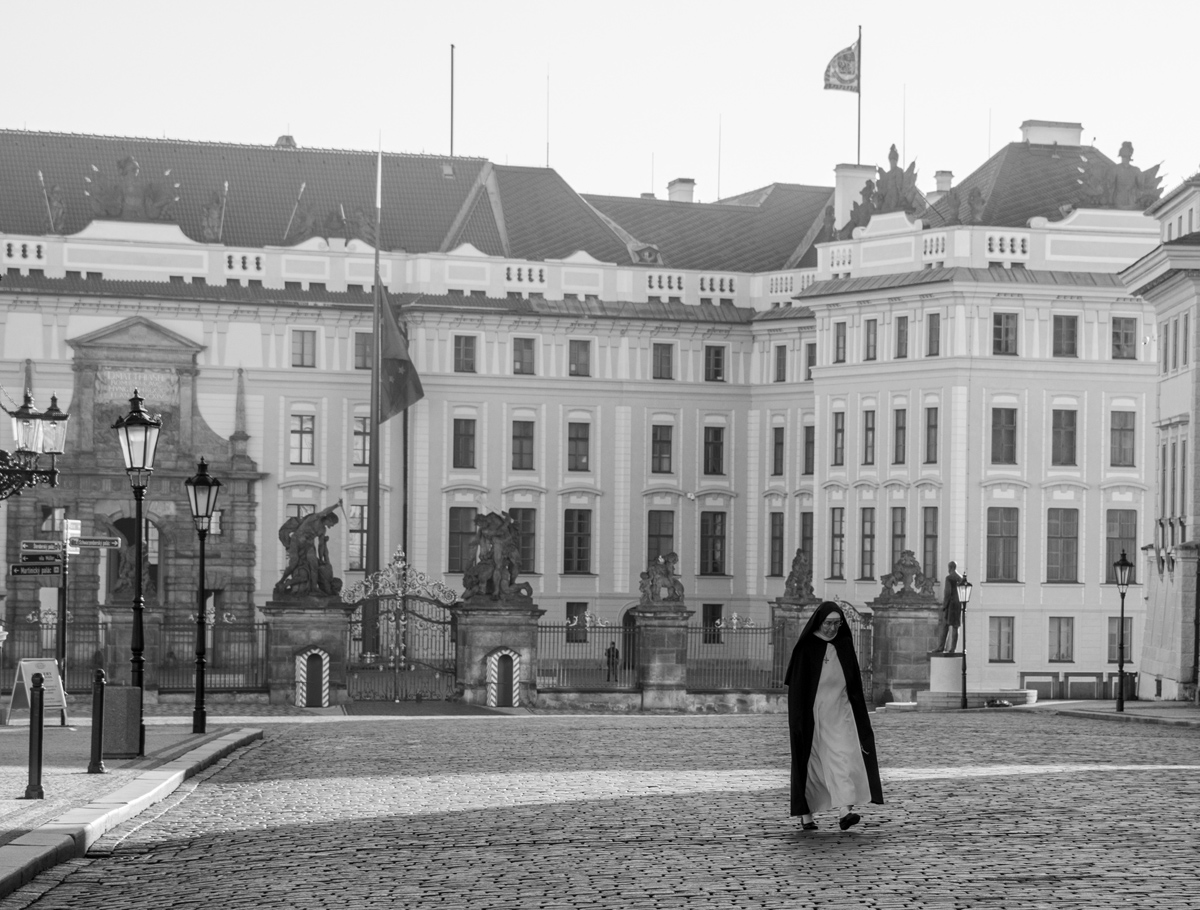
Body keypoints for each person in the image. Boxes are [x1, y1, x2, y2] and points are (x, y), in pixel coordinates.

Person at [785, 601, 883, 831]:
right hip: (815, 716)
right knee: (814, 764)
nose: (832, 628)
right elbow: (798, 689)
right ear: (819, 622)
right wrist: (799, 719)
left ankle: (844, 811)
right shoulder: (807, 647)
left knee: (844, 759)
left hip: (842, 713)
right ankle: (806, 814)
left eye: (837, 623)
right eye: (828, 623)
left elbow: (854, 684)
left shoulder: (844, 644)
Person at [934, 561, 964, 654]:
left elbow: (947, 593)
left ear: (950, 568)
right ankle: (953, 648)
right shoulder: (961, 578)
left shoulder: (949, 578)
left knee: (945, 625)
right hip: (958, 604)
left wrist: (944, 605)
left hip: (951, 604)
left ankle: (941, 647)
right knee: (955, 626)